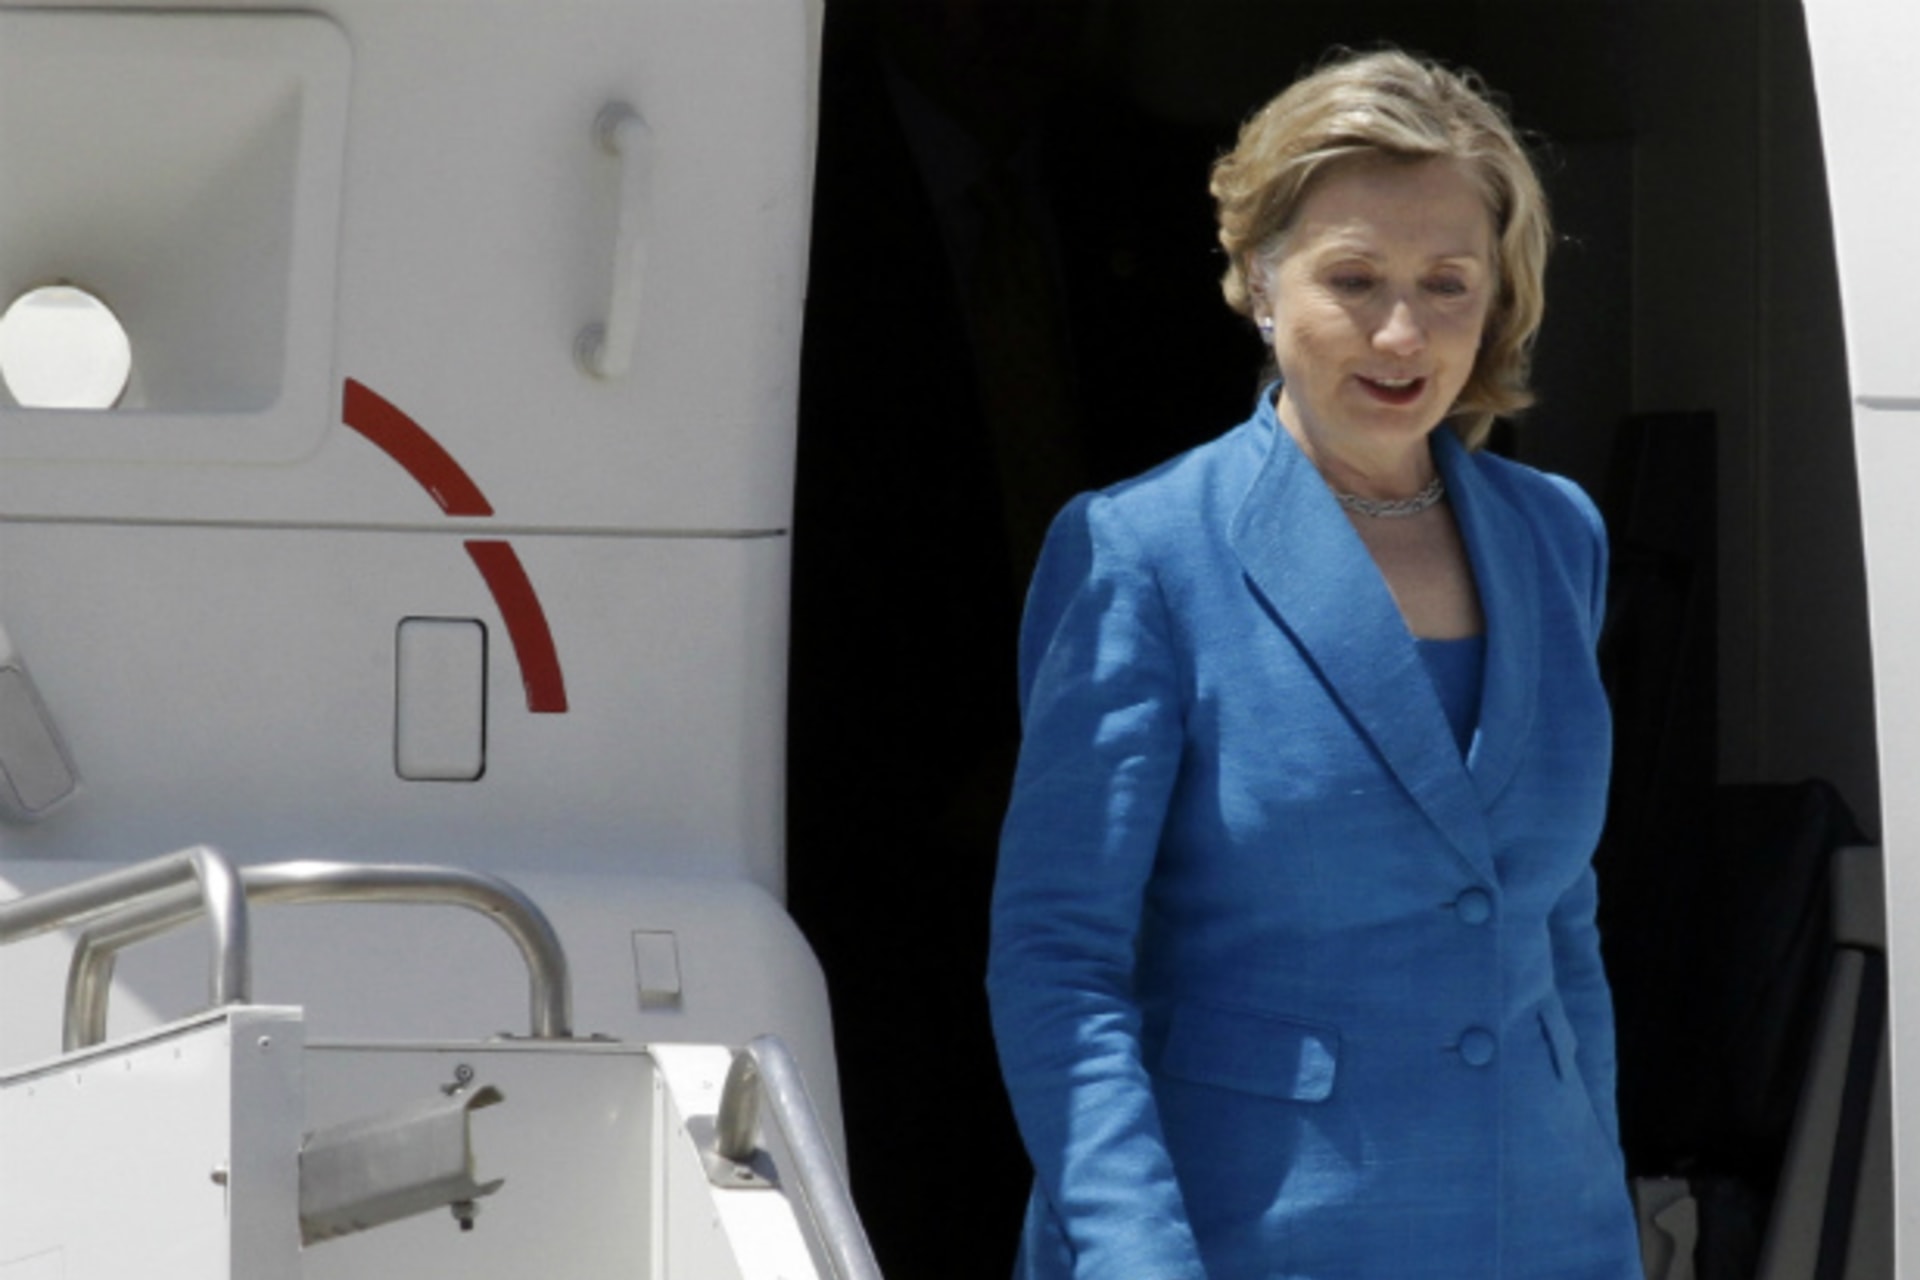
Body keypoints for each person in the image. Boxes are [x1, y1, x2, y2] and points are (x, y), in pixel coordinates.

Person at [986, 48, 1643, 1279]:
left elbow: (1557, 923)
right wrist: (1135, 1257)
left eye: (1449, 283)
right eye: (1355, 279)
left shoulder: (1559, 534)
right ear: (1256, 278)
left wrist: (1599, 1198)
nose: (1405, 331)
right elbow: (1060, 963)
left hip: (1544, 1234)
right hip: (1249, 1242)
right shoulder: (1140, 550)